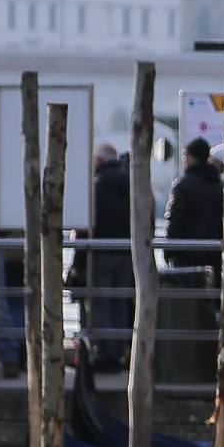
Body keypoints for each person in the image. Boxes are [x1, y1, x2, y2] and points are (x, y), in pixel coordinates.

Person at [89, 143, 134, 370]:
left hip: (101, 251)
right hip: (127, 252)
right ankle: (121, 351)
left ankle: (106, 354)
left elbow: (91, 223)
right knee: (120, 303)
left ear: (99, 161)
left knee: (102, 303)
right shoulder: (130, 183)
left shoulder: (97, 185)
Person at [162, 136, 224, 267]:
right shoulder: (219, 185)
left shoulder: (183, 185)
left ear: (190, 157)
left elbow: (175, 220)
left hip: (187, 254)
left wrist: (168, 251)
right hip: (214, 253)